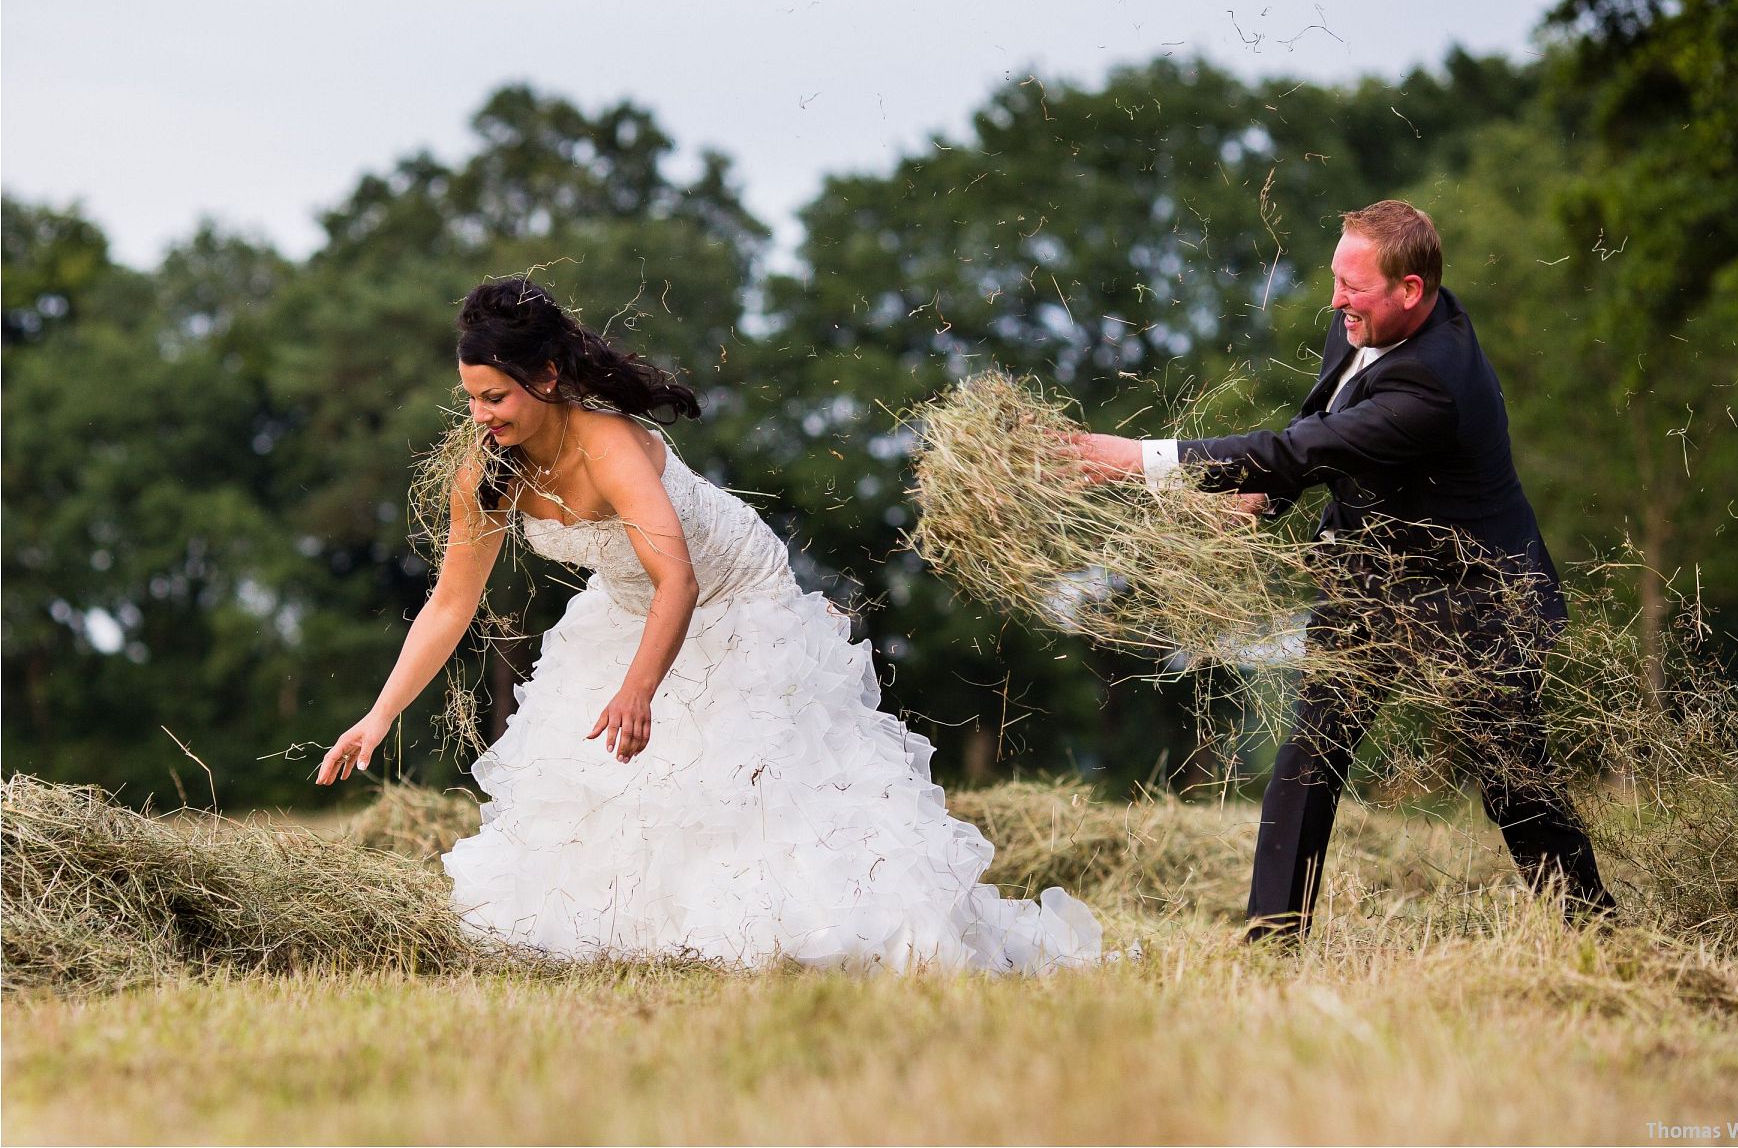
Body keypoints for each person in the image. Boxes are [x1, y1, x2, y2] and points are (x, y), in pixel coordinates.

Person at [316, 277, 1101, 974]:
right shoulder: (487, 475)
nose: (482, 417)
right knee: (595, 791)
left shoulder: (612, 448)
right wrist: (379, 714)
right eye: (472, 400)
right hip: (628, 608)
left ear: (547, 378)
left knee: (746, 789)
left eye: (497, 398)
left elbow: (680, 580)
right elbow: (450, 604)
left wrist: (639, 691)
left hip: (734, 597)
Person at [1069, 200, 1614, 940]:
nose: (1335, 301)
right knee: (1306, 759)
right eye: (1336, 279)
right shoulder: (1364, 316)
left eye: (1353, 287)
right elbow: (1319, 429)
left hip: (1475, 597)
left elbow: (1308, 446)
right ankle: (1271, 943)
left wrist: (1140, 459)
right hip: (1370, 581)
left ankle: (1598, 936)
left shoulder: (1436, 385)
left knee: (1513, 784)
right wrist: (1270, 494)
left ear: (1411, 291)